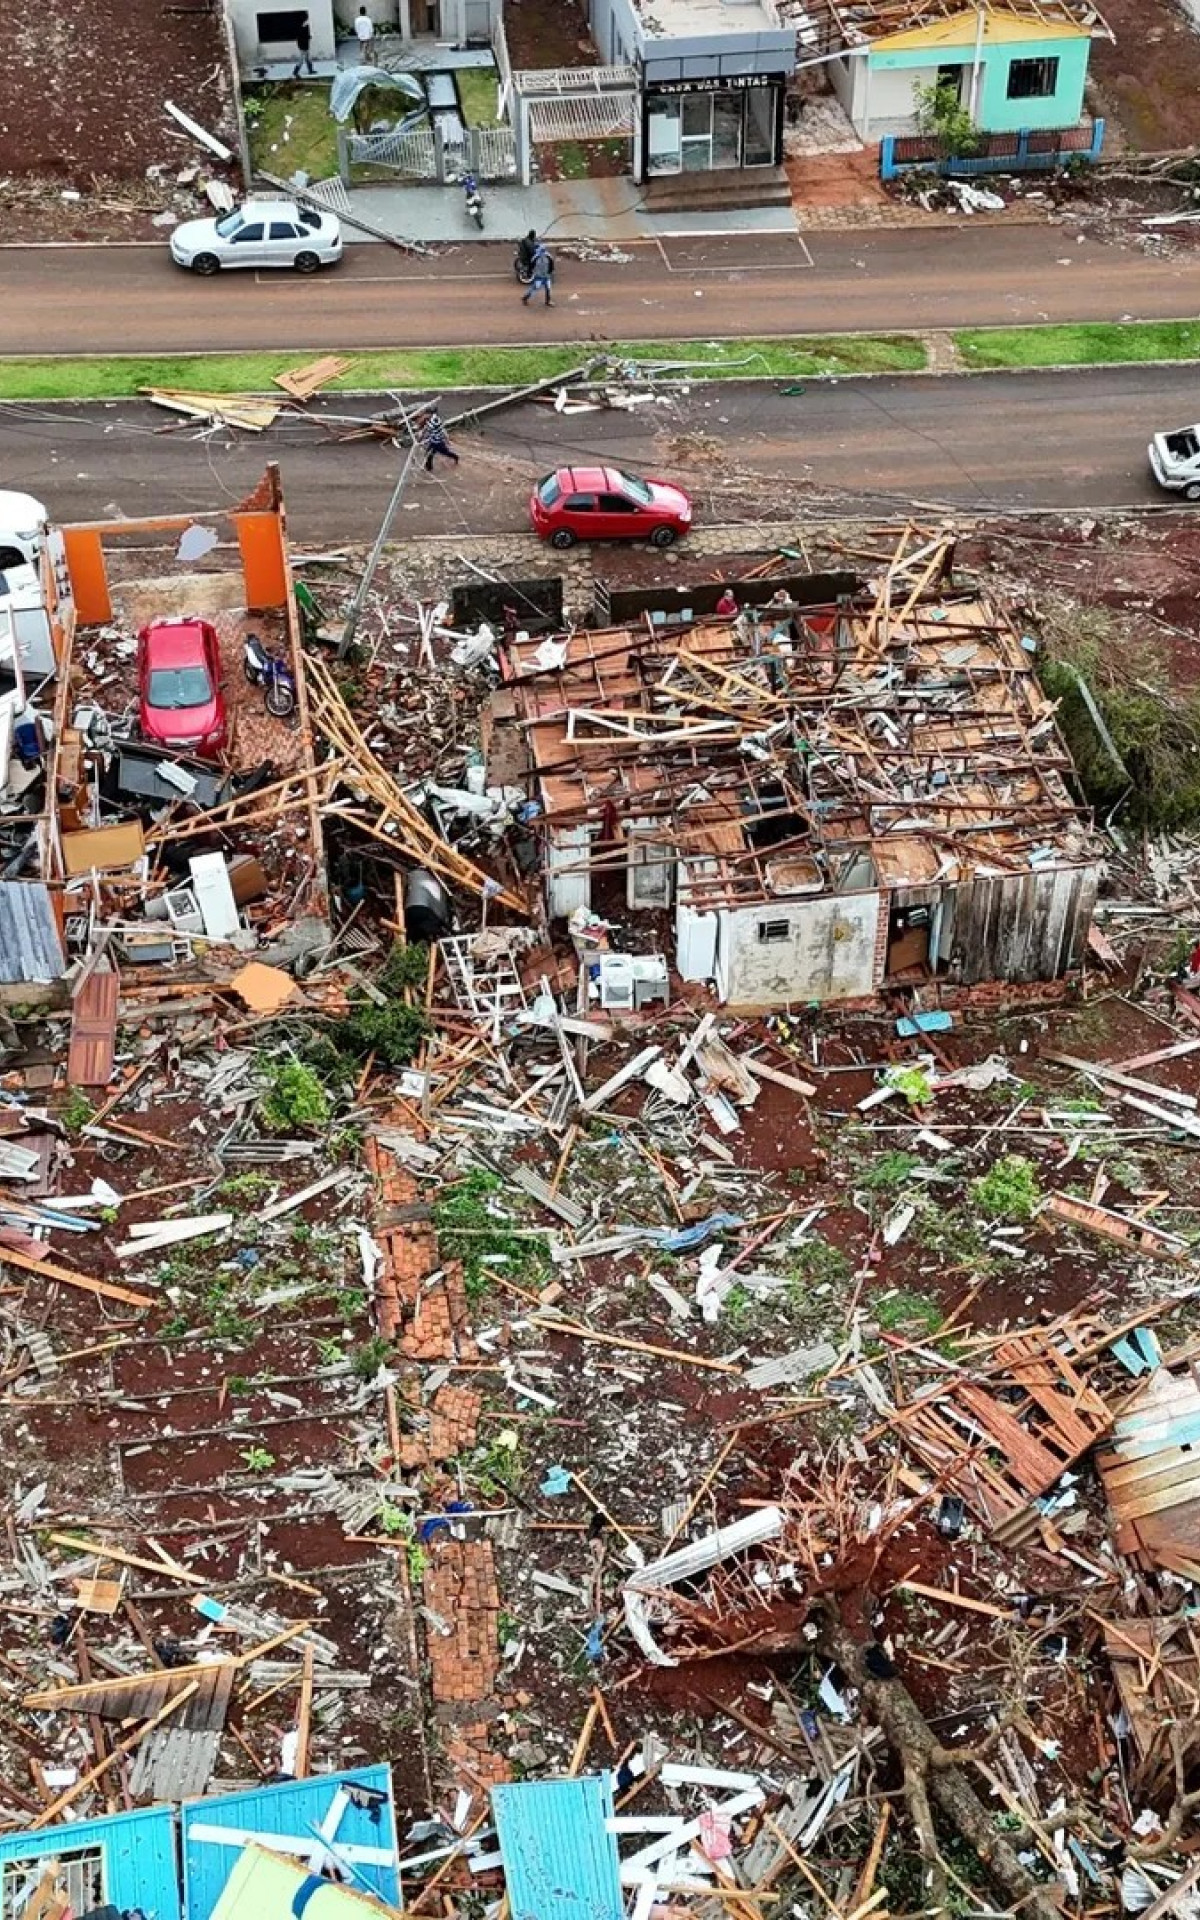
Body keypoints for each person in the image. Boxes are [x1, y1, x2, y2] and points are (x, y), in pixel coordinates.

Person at [416, 407, 459, 473]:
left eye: (426, 414)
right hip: (433, 440)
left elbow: (427, 429)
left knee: (444, 452)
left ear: (429, 414)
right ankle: (428, 468)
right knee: (429, 454)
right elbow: (426, 429)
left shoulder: (434, 421)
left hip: (438, 442)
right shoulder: (430, 418)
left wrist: (421, 438)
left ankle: (455, 457)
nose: (424, 415)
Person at [521, 240, 554, 308]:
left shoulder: (548, 257)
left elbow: (551, 266)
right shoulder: (536, 258)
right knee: (535, 288)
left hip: (546, 276)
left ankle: (548, 301)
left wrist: (550, 272)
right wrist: (530, 273)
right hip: (539, 276)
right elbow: (531, 266)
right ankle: (525, 298)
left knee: (548, 288)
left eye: (543, 250)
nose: (542, 252)